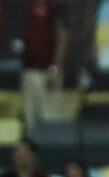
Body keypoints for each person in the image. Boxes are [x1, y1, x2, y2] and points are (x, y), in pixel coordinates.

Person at [20, 0, 67, 131]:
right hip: (28, 70)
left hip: (47, 72)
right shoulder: (27, 4)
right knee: (30, 122)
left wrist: (55, 68)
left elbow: (62, 36)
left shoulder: (55, 4)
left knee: (50, 121)